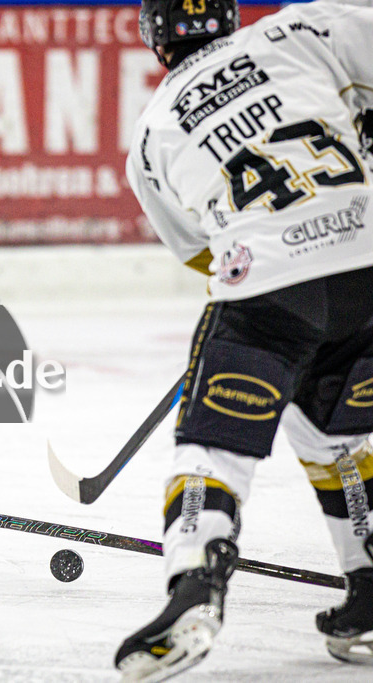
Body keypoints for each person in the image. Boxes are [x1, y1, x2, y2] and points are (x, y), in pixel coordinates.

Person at [117, 0, 373, 679]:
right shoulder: (301, 28)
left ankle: (196, 583)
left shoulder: (149, 135)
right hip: (366, 263)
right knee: (338, 434)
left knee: (214, 445)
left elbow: (202, 255)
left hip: (269, 281)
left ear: (154, 37)